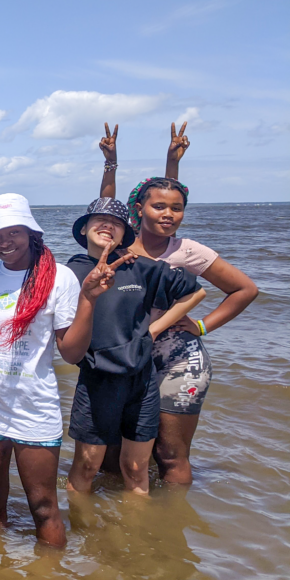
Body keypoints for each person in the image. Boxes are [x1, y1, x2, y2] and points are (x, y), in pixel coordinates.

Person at [0, 194, 124, 547]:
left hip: (34, 407)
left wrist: (89, 299)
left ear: (31, 232)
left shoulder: (59, 279)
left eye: (12, 232)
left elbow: (72, 353)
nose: (3, 243)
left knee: (43, 505)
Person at [98, 123, 258, 484]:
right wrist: (111, 164)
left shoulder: (189, 251)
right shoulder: (121, 247)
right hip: (127, 355)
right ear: (139, 210)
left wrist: (202, 326)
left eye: (178, 209)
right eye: (158, 208)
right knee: (115, 453)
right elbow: (106, 213)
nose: (169, 214)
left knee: (170, 454)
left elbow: (245, 290)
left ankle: (171, 531)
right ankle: (119, 521)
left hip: (178, 358)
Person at [65, 197, 205, 496]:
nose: (108, 226)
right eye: (100, 220)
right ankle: (83, 536)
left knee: (137, 468)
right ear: (83, 229)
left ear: (124, 234)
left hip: (142, 380)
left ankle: (137, 538)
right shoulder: (68, 273)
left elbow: (195, 293)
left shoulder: (140, 267)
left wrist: (153, 330)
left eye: (116, 223)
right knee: (87, 466)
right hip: (96, 378)